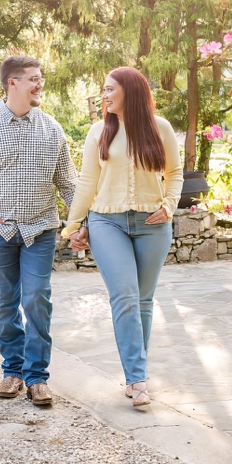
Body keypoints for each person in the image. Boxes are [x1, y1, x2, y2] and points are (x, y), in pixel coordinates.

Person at [0, 55, 77, 406]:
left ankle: (37, 378)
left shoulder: (52, 128)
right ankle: (12, 370)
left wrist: (79, 220)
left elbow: (68, 183)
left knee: (36, 298)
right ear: (13, 83)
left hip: (41, 227)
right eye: (33, 79)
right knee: (4, 303)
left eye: (40, 78)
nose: (40, 85)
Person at [62, 67, 183, 407]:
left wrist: (170, 206)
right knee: (126, 297)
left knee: (143, 301)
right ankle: (138, 379)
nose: (105, 95)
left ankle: (135, 374)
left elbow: (174, 173)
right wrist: (74, 225)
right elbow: (87, 183)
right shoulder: (99, 131)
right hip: (107, 222)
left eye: (110, 89)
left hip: (153, 223)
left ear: (130, 90)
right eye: (103, 89)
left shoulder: (161, 128)